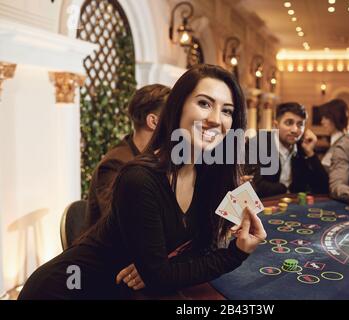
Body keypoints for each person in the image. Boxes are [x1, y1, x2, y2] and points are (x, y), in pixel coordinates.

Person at [18, 64, 266, 300]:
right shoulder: (139, 178)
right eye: (204, 103)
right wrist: (236, 253)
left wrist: (161, 266)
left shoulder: (207, 175)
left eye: (227, 111)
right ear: (177, 108)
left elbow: (198, 250)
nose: (216, 118)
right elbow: (159, 278)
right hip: (65, 291)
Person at [86, 84, 171, 227]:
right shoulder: (115, 164)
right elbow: (125, 223)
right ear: (153, 121)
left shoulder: (156, 158)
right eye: (174, 117)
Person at [245, 102, 329, 198]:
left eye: (300, 124)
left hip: (294, 206)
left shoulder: (303, 147)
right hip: (264, 206)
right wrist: (286, 190)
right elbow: (256, 186)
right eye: (289, 123)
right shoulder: (257, 144)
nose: (295, 130)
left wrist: (310, 154)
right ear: (275, 125)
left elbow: (323, 187)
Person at [319, 99, 349, 172]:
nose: (322, 122)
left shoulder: (342, 143)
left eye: (326, 118)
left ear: (336, 118)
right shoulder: (338, 140)